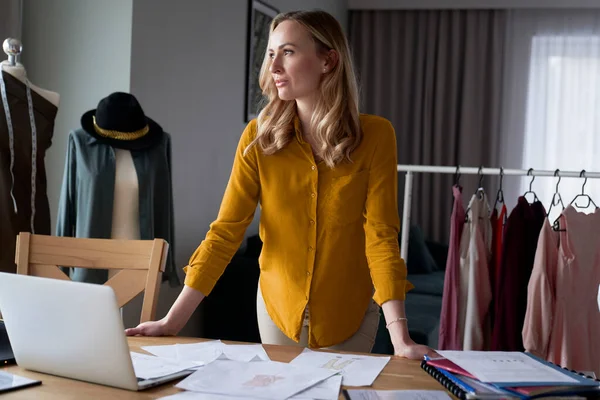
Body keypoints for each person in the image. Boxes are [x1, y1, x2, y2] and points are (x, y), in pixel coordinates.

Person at [126, 9, 435, 360]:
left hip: (348, 315)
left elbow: (380, 237)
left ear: (328, 60)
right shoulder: (258, 138)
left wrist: (401, 340)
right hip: (276, 312)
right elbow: (225, 233)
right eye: (271, 54)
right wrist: (172, 320)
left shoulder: (376, 136)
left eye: (287, 52)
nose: (273, 68)